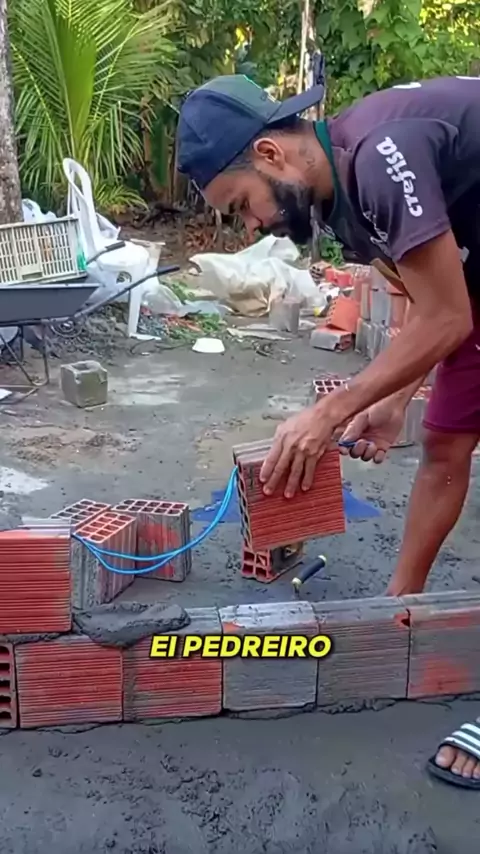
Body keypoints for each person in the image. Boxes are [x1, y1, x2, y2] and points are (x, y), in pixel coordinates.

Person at [176, 74, 480, 788]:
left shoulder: (380, 155)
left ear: (270, 154)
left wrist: (329, 411)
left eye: (241, 205)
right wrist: (395, 397)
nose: (251, 228)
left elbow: (447, 317)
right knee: (444, 442)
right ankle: (400, 611)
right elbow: (430, 295)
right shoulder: (340, 199)